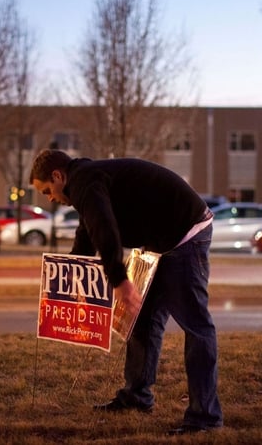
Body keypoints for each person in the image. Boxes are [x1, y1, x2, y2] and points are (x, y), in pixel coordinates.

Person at [30, 149, 223, 435]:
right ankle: (137, 397)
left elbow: (106, 232)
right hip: (161, 239)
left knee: (197, 327)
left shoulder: (84, 182)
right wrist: (71, 276)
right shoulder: (87, 180)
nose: (50, 198)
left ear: (58, 176)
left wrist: (119, 281)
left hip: (185, 233)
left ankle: (205, 417)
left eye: (47, 191)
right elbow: (88, 232)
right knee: (141, 319)